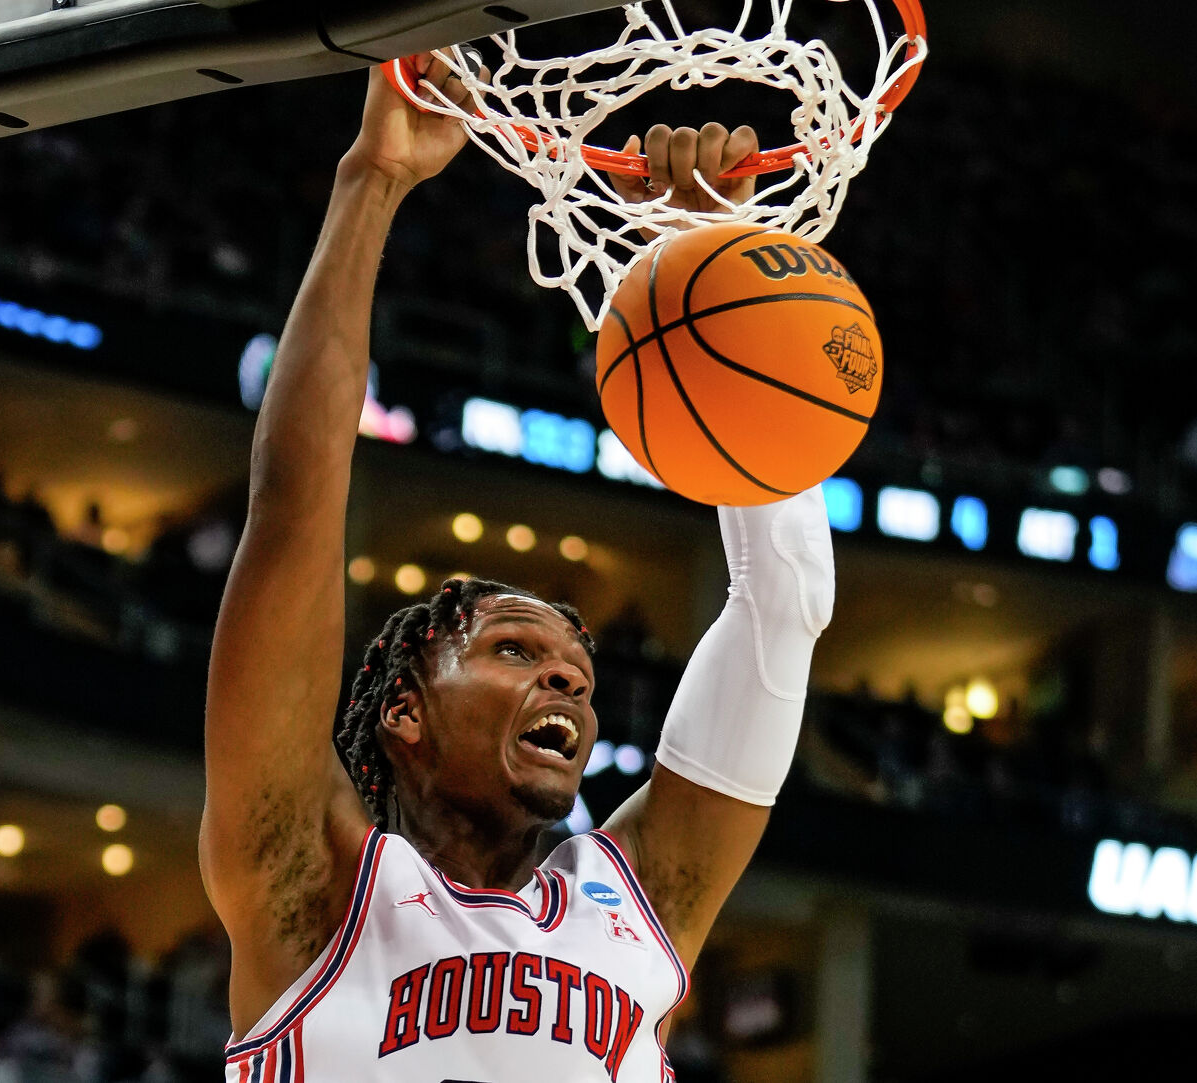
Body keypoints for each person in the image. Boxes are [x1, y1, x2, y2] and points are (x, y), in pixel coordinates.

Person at [200, 55, 836, 1080]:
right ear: (403, 711)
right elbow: (294, 513)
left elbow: (784, 602)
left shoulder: (641, 909)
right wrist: (373, 180)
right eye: (513, 648)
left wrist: (707, 247)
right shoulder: (307, 887)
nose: (567, 681)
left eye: (575, 673)